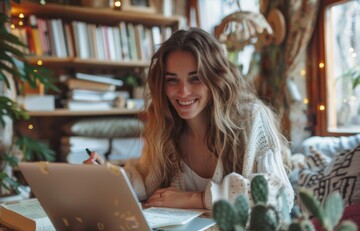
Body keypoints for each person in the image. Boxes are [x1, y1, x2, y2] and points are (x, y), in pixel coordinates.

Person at [84, 27, 294, 210]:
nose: (183, 92)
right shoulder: (165, 126)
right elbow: (145, 181)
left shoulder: (251, 118)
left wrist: (199, 199)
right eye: (172, 80)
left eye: (195, 78)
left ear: (215, 78)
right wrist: (108, 176)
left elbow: (281, 195)